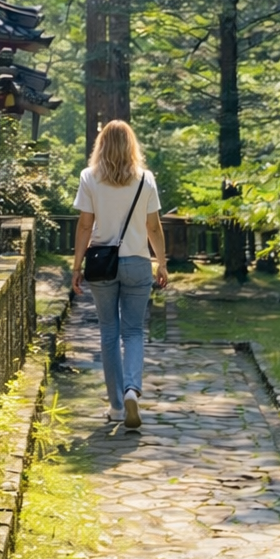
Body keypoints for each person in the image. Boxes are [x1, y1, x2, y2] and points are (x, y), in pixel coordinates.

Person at [71, 120, 168, 430]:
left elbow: (85, 226)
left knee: (109, 332)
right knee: (134, 331)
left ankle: (115, 407)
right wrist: (162, 263)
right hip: (138, 263)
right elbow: (153, 227)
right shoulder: (146, 180)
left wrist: (76, 267)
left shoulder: (89, 178)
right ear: (131, 146)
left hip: (102, 265)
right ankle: (131, 389)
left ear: (101, 145)